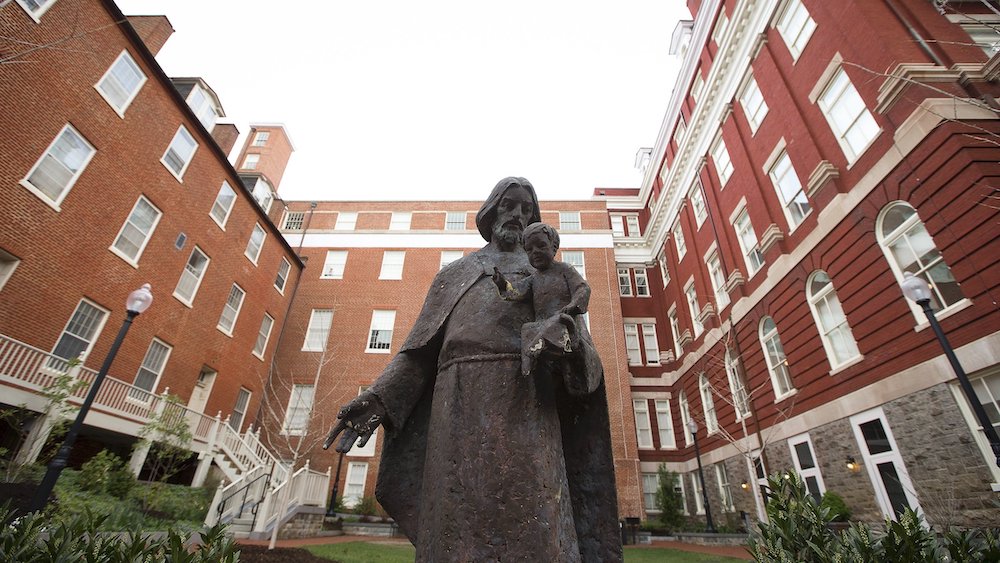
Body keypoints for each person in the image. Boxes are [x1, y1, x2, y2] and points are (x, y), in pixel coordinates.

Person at [324, 177, 621, 562]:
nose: (516, 215)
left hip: (527, 416)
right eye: (508, 205)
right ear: (491, 210)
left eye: (526, 209)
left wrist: (566, 345)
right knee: (453, 534)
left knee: (534, 530)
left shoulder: (547, 277)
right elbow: (417, 355)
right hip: (457, 415)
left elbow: (585, 365)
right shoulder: (454, 275)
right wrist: (378, 399)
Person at [491, 221, 591, 376]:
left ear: (554, 247)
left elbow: (582, 288)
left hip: (562, 320)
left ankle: (557, 348)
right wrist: (502, 284)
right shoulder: (534, 279)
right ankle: (529, 366)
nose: (535, 252)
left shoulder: (565, 269)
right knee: (528, 329)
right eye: (529, 250)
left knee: (555, 325)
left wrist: (573, 305)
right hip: (541, 324)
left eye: (541, 246)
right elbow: (517, 291)